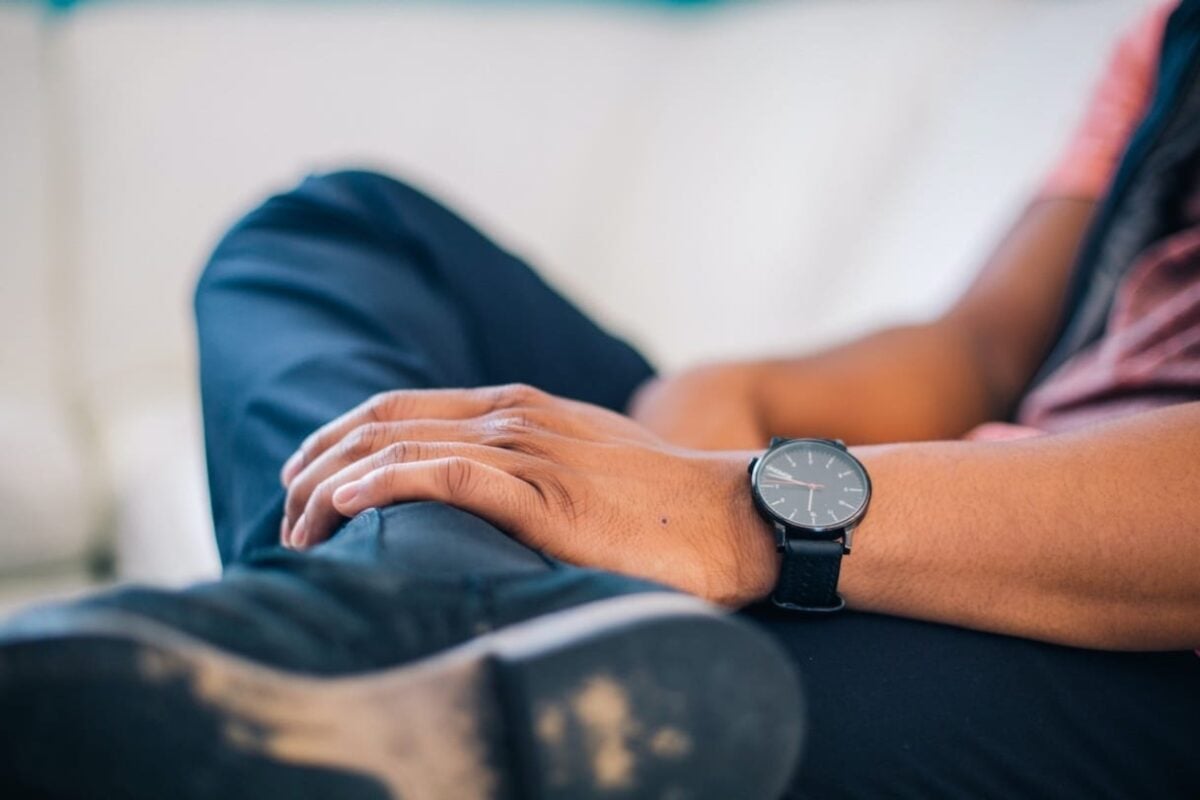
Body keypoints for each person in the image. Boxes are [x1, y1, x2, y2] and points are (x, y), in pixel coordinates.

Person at [3, 1, 1199, 797]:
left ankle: (374, 630)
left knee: (647, 694)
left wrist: (742, 511)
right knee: (339, 228)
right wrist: (725, 400)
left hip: (1126, 629)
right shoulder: (1165, 30)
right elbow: (987, 345)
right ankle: (415, 618)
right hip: (939, 519)